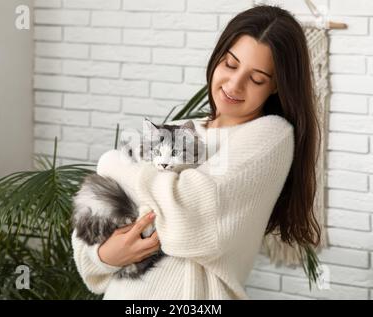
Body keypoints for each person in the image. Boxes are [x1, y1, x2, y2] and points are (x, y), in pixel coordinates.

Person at [71, 4, 321, 300]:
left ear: (277, 86)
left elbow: (192, 213)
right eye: (230, 64)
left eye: (256, 79)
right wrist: (105, 255)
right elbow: (92, 212)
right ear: (217, 58)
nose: (234, 84)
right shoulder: (179, 129)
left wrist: (112, 164)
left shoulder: (270, 135)